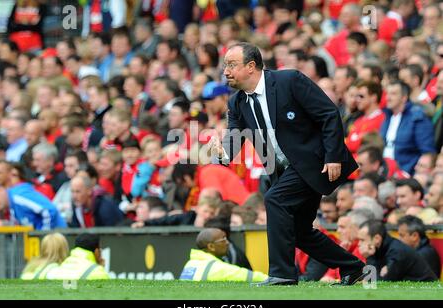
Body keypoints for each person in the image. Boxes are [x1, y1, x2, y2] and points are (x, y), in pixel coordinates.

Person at [209, 42, 364, 286]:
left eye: (231, 65)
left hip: (316, 162)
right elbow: (232, 143)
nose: (226, 71)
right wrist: (221, 154)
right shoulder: (236, 103)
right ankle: (354, 268)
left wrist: (333, 156)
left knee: (274, 199)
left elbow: (329, 114)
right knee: (299, 231)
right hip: (284, 171)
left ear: (251, 67)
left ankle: (282, 274)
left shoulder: (289, 80)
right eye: (225, 65)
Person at [357, 220, 438, 281]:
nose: (359, 244)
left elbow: (379, 284)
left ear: (377, 238)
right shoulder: (381, 248)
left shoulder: (396, 251)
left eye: (362, 240)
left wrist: (370, 257)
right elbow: (370, 279)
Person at [179, 228, 268, 282]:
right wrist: (272, 279)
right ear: (211, 246)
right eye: (223, 240)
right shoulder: (216, 268)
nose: (227, 243)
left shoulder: (191, 263)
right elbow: (248, 276)